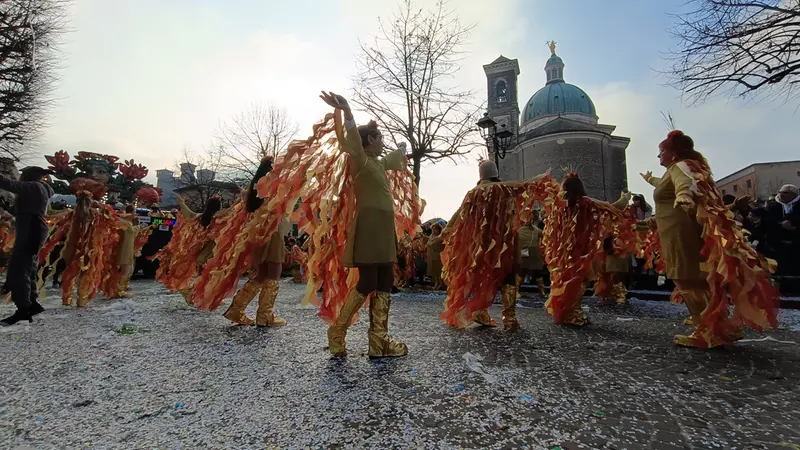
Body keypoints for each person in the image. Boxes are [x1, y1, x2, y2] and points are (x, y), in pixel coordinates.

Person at [641, 130, 778, 348]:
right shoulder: (688, 167)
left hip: (681, 233)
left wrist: (683, 196)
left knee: (685, 277)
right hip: (682, 229)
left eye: (661, 152)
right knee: (700, 278)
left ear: (672, 153)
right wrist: (651, 188)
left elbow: (684, 183)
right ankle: (721, 326)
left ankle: (707, 331)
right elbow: (675, 188)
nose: (659, 157)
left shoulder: (680, 167)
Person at [319, 91, 410, 358]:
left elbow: (396, 157)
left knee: (386, 280)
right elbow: (352, 139)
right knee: (368, 280)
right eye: (380, 138)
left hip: (384, 227)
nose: (383, 142)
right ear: (370, 140)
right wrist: (347, 111)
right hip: (370, 226)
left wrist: (403, 149)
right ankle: (337, 330)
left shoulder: (379, 164)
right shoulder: (358, 159)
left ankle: (378, 342)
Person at [441, 160, 555, 330]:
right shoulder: (505, 187)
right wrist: (542, 178)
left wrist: (446, 232)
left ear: (481, 175)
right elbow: (525, 185)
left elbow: (459, 214)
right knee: (508, 276)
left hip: (479, 244)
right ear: (495, 173)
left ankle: (480, 312)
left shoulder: (472, 193)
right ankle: (509, 318)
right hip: (504, 242)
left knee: (481, 276)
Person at [215, 158, 289, 327]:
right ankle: (264, 316)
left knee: (262, 274)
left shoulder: (253, 189)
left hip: (256, 234)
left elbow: (245, 197)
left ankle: (236, 310)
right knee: (274, 271)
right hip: (272, 231)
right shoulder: (272, 186)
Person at [0, 166, 54, 325]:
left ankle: (23, 309)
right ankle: (33, 303)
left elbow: (8, 184)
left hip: (31, 228)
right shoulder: (40, 189)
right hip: (34, 228)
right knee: (29, 266)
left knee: (19, 268)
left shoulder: (34, 186)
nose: (20, 177)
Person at [518, 211, 546, 297]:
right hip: (533, 254)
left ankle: (516, 291)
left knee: (523, 271)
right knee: (536, 272)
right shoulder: (536, 230)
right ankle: (542, 292)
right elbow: (545, 235)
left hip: (525, 253)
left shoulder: (519, 230)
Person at [426, 223, 445, 290]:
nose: (433, 230)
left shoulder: (440, 237)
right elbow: (428, 243)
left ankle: (441, 284)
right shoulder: (431, 236)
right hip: (431, 256)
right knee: (433, 271)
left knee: (438, 271)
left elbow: (436, 245)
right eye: (433, 228)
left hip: (438, 256)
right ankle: (436, 283)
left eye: (435, 228)